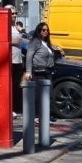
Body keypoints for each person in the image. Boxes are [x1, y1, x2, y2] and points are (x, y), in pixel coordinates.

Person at [22, 20, 56, 151]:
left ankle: (44, 117)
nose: (46, 32)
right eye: (43, 30)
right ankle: (38, 116)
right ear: (38, 30)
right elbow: (29, 56)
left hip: (47, 72)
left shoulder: (46, 43)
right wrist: (28, 71)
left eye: (47, 30)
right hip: (38, 72)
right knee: (38, 97)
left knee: (48, 96)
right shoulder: (35, 42)